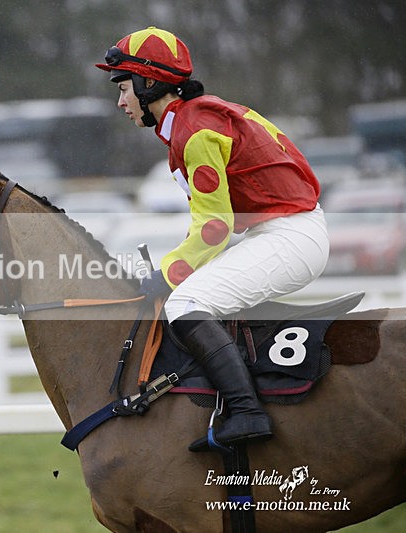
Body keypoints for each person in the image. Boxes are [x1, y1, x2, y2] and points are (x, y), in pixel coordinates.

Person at [96, 27, 329, 450]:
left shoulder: (195, 130)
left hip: (290, 236)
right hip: (284, 231)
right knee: (192, 293)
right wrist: (176, 267)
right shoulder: (193, 120)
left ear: (150, 84)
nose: (120, 101)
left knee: (184, 302)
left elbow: (214, 228)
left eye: (124, 87)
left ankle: (247, 411)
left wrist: (167, 274)